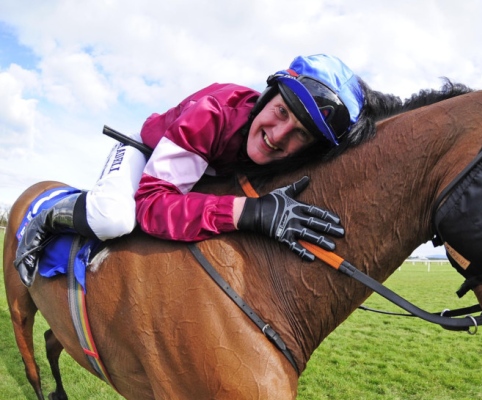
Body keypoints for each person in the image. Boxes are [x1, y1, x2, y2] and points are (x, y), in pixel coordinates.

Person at [14, 54, 384, 287]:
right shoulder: (213, 113)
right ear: (268, 96)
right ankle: (47, 218)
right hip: (142, 153)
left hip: (199, 172)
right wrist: (248, 211)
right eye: (282, 112)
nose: (278, 135)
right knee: (114, 218)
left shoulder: (283, 150)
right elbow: (152, 205)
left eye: (300, 134)